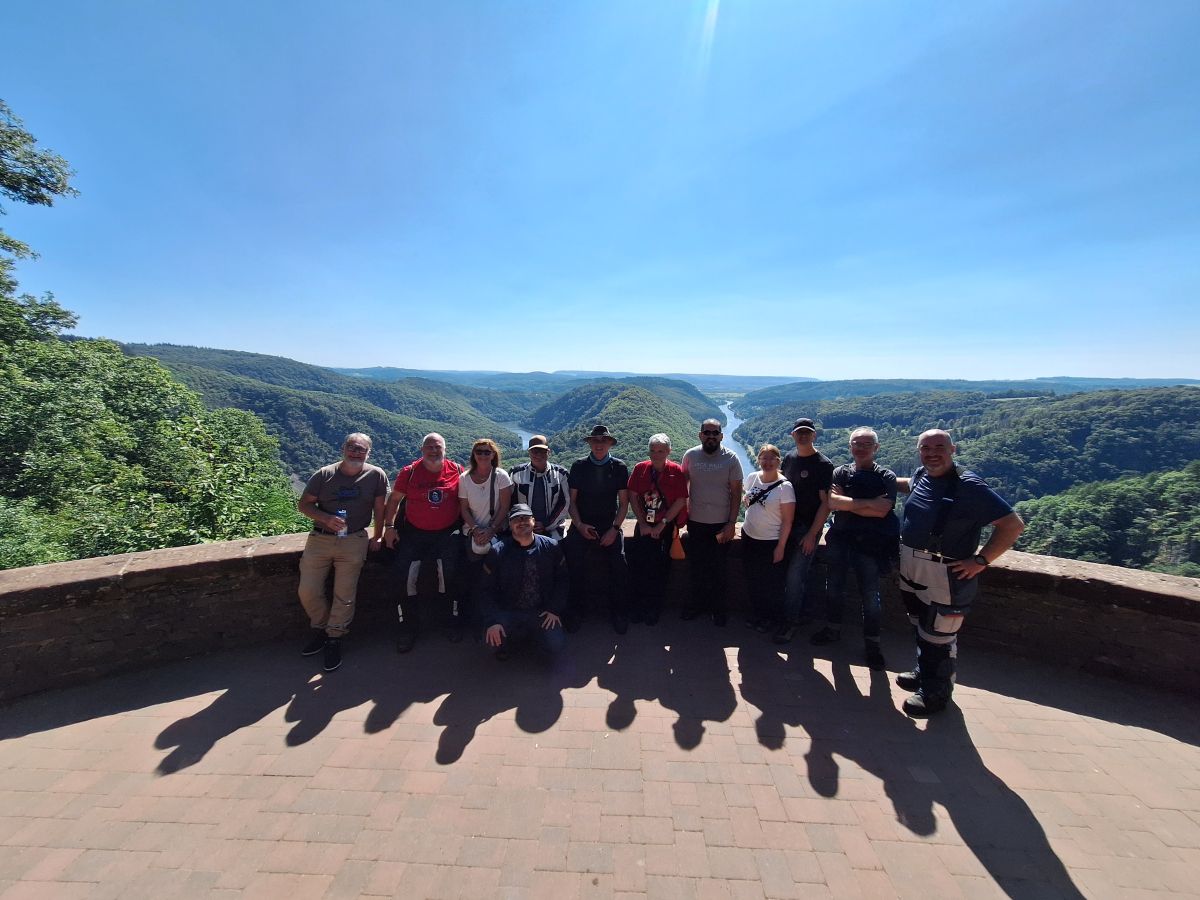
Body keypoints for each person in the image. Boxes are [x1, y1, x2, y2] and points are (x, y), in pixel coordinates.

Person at [894, 429, 1025, 716]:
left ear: (952, 449)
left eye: (939, 446)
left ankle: (936, 693)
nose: (932, 453)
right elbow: (908, 485)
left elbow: (1013, 525)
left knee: (939, 635)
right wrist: (877, 480)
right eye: (925, 448)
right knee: (921, 625)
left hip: (946, 573)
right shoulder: (922, 475)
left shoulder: (969, 486)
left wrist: (981, 561)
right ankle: (923, 672)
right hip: (913, 567)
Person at [296, 433, 390, 672]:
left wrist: (378, 535)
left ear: (368, 453)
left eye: (361, 449)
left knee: (345, 594)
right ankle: (321, 627)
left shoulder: (376, 475)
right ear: (343, 448)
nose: (356, 452)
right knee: (308, 590)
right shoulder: (324, 474)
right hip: (320, 538)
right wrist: (326, 518)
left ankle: (333, 638)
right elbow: (303, 504)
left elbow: (380, 509)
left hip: (354, 539)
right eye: (352, 448)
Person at [812, 427, 899, 671]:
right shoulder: (840, 472)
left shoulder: (887, 477)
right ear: (850, 447)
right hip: (841, 541)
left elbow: (883, 510)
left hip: (871, 545)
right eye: (856, 443)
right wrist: (867, 504)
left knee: (871, 597)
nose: (860, 447)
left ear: (876, 448)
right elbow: (832, 503)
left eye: (866, 444)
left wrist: (848, 504)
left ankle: (872, 644)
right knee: (834, 589)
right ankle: (833, 630)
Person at [383, 433, 465, 653]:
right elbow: (394, 501)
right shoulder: (409, 473)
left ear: (445, 449)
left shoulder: (457, 471)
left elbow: (468, 500)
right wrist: (389, 527)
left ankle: (448, 621)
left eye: (437, 447)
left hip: (447, 534)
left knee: (449, 576)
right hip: (413, 534)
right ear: (422, 450)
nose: (433, 451)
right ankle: (409, 626)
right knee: (405, 577)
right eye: (429, 447)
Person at [478, 503, 567, 661]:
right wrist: (492, 621)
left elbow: (563, 581)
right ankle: (517, 640)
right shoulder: (497, 552)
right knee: (490, 645)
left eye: (525, 518)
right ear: (510, 525)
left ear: (533, 521)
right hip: (508, 611)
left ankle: (531, 640)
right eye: (516, 520)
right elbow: (485, 590)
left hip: (541, 612)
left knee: (556, 645)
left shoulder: (551, 547)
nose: (521, 522)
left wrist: (554, 609)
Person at [563, 424, 630, 634]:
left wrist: (614, 529)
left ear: (610, 443)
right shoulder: (579, 466)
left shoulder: (619, 467)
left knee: (619, 565)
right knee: (573, 563)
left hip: (609, 524)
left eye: (603, 441)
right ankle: (575, 611)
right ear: (590, 443)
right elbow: (572, 502)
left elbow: (624, 504)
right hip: (582, 523)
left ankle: (619, 612)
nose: (599, 445)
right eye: (595, 441)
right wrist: (580, 525)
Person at [775, 417, 834, 644]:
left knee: (795, 576)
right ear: (792, 435)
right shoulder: (789, 458)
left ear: (814, 435)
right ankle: (796, 615)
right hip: (786, 525)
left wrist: (812, 534)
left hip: (806, 529)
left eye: (807, 432)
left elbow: (825, 503)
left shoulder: (823, 464)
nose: (803, 436)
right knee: (787, 574)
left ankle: (789, 624)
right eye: (799, 432)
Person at [680, 418, 743, 626]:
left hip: (720, 524)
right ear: (700, 435)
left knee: (719, 569)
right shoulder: (690, 456)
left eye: (715, 433)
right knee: (696, 567)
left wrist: (731, 522)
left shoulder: (731, 458)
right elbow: (682, 488)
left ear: (721, 436)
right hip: (696, 523)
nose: (711, 436)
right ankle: (696, 605)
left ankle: (718, 610)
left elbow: (736, 493)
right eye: (707, 432)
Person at [626, 434, 689, 626]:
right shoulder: (640, 469)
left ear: (669, 451)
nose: (656, 454)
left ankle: (654, 608)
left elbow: (681, 500)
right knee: (639, 567)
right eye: (653, 450)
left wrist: (663, 524)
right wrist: (643, 523)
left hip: (665, 526)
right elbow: (633, 495)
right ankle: (639, 607)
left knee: (661, 570)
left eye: (661, 450)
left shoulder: (675, 471)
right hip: (644, 525)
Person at [740, 444, 796, 635]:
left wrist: (781, 546)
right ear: (758, 460)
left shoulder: (785, 487)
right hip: (749, 537)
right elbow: (746, 498)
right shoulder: (752, 478)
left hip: (770, 541)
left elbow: (788, 521)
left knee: (771, 584)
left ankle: (772, 619)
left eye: (772, 458)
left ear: (779, 461)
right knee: (753, 580)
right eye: (764, 458)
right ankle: (759, 615)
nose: (767, 462)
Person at [459, 438, 514, 619]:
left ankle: (497, 613)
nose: (483, 455)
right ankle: (477, 615)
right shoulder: (465, 478)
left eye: (487, 452)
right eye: (479, 451)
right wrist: (475, 530)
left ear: (493, 455)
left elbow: (505, 507)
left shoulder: (501, 476)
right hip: (473, 532)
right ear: (473, 455)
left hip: (496, 531)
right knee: (473, 575)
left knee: (496, 573)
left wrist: (491, 530)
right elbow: (464, 508)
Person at [509, 435, 570, 539]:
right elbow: (510, 503)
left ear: (548, 452)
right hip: (522, 527)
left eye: (542, 451)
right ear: (529, 453)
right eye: (534, 451)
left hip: (553, 528)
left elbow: (564, 503)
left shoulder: (561, 474)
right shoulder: (516, 473)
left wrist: (546, 525)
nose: (538, 455)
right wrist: (525, 524)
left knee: (557, 550)